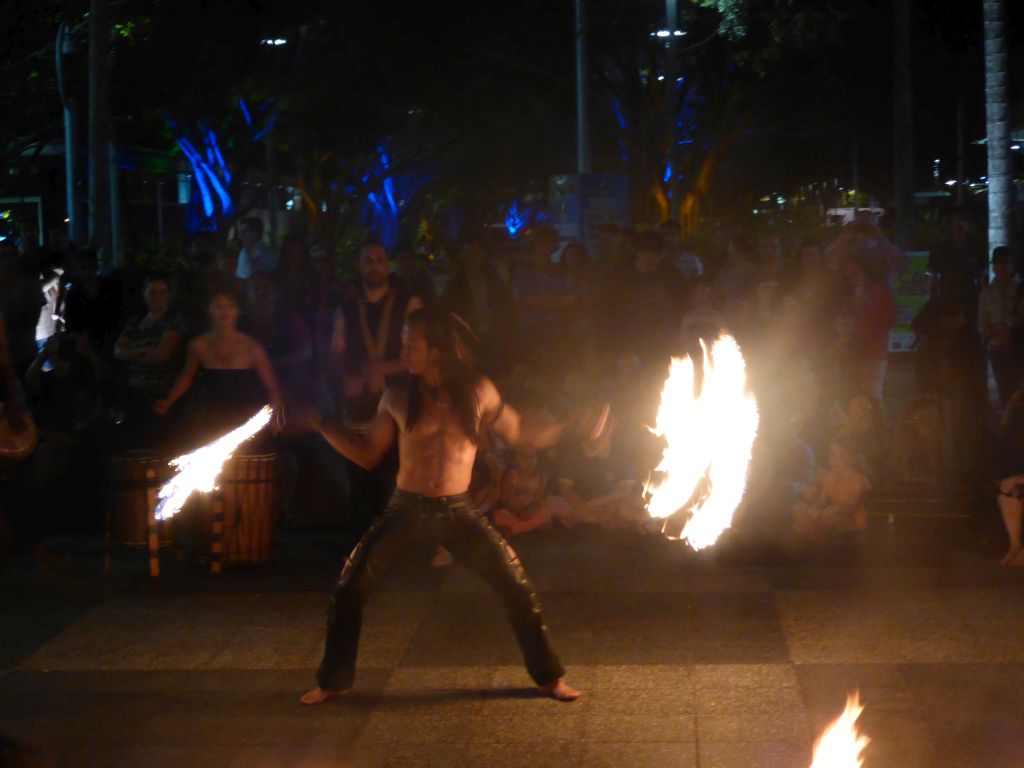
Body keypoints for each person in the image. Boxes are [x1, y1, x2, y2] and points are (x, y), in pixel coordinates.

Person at [289, 307, 588, 704]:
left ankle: (551, 678)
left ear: (437, 349)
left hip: (459, 512)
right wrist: (323, 426)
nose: (404, 349)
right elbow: (366, 453)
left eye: (412, 342)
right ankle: (333, 681)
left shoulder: (479, 391)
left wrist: (569, 429)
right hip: (406, 511)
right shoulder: (397, 396)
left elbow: (520, 434)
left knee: (516, 589)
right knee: (349, 588)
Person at [154, 283, 281, 444]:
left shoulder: (252, 347)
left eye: (230, 306)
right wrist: (169, 400)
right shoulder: (198, 345)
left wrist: (276, 413)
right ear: (210, 310)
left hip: (244, 418)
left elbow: (271, 386)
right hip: (210, 417)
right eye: (218, 306)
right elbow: (186, 376)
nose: (224, 311)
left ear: (238, 311)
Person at [113, 274, 188, 444]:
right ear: (144, 294)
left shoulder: (174, 320)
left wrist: (132, 351)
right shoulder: (136, 320)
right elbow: (117, 351)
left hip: (162, 391)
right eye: (152, 292)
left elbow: (162, 355)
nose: (157, 297)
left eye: (162, 292)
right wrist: (148, 350)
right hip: (135, 391)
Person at [977, 246, 1021, 407]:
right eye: (997, 264)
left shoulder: (1020, 289)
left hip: (1019, 350)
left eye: (1004, 263)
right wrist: (994, 331)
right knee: (1006, 395)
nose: (1000, 267)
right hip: (999, 352)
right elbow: (982, 325)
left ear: (1012, 265)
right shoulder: (988, 292)